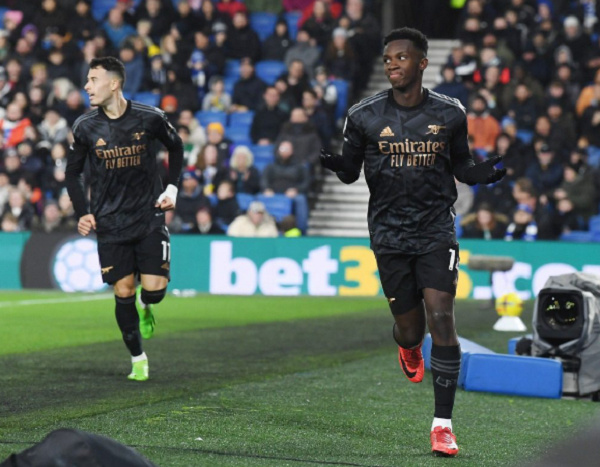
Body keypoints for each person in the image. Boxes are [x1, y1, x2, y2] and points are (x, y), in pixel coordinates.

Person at [319, 28, 506, 457]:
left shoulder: (451, 113)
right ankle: (407, 347)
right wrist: (335, 165)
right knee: (411, 328)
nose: (391, 65)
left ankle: (442, 425)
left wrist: (483, 174)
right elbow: (350, 171)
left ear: (422, 63)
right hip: (388, 234)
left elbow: (462, 167)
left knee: (442, 316)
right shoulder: (363, 114)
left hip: (436, 229)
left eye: (400, 58)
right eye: (387, 60)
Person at [65, 57, 184, 382]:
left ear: (114, 83)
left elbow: (177, 147)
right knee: (124, 288)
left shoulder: (150, 117)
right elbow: (73, 173)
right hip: (109, 224)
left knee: (155, 292)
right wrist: (82, 212)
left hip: (148, 217)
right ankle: (138, 358)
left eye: (93, 79)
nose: (87, 86)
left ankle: (149, 305)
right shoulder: (85, 126)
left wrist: (172, 188)